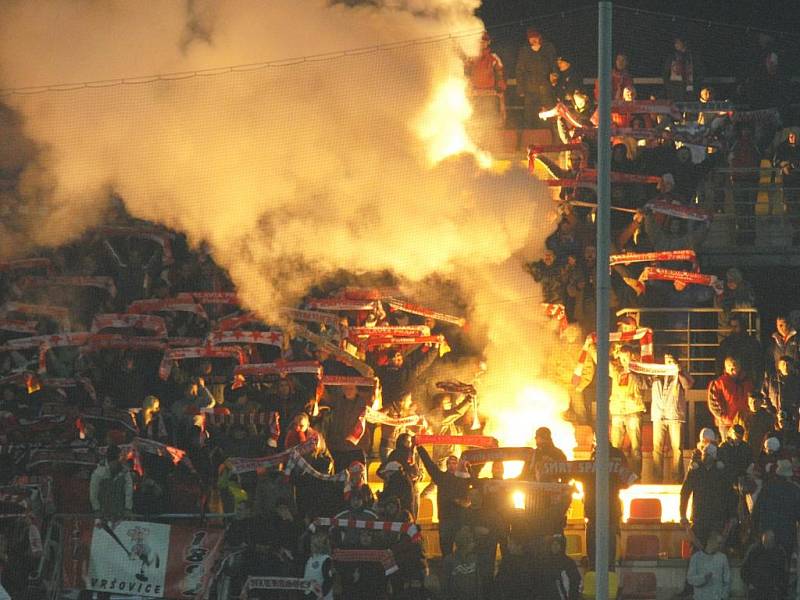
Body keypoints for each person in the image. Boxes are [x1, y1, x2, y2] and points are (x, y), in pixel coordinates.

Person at [417, 445, 472, 557]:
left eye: (454, 463)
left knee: (463, 551)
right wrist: (420, 448)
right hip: (446, 519)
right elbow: (430, 465)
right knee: (446, 551)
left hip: (461, 520)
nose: (452, 465)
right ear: (446, 465)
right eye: (449, 463)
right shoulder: (441, 478)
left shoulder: (465, 478)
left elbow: (476, 474)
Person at [680, 444, 736, 549]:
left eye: (708, 455)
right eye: (704, 454)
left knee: (717, 548)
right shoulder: (695, 471)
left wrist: (732, 514)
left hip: (717, 518)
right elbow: (685, 492)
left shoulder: (721, 473)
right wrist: (682, 514)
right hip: (699, 517)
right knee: (697, 548)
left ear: (714, 456)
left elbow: (730, 494)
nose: (705, 457)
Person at [651, 353, 694, 483]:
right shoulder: (656, 372)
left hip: (674, 415)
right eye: (666, 360)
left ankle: (677, 478)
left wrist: (679, 371)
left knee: (677, 449)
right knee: (657, 448)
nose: (668, 363)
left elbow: (688, 385)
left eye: (671, 360)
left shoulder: (681, 372)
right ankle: (657, 478)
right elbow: (645, 383)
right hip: (659, 414)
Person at [609, 345, 648, 476]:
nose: (624, 360)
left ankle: (636, 476)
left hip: (633, 411)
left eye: (626, 357)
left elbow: (645, 384)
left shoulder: (639, 370)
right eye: (622, 357)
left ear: (632, 356)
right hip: (617, 412)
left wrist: (633, 373)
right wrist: (590, 346)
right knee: (615, 448)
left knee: (636, 448)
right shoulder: (615, 370)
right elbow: (600, 360)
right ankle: (614, 475)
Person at [752, 459, 800, 558]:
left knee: (768, 561)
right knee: (784, 562)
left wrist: (757, 530)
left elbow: (757, 510)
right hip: (787, 532)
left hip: (769, 531)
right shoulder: (794, 490)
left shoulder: (767, 488)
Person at [515, 28, 557, 128]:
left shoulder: (548, 48)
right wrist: (520, 88)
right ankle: (529, 138)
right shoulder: (524, 51)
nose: (533, 40)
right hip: (530, 89)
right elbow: (519, 70)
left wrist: (555, 76)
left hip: (546, 88)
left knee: (548, 115)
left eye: (535, 37)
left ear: (539, 37)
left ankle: (550, 138)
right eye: (531, 38)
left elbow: (554, 65)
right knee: (529, 116)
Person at [464, 32, 507, 126]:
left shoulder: (493, 58)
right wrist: (468, 88)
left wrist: (500, 88)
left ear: (488, 42)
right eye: (480, 42)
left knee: (489, 118)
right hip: (475, 94)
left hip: (489, 94)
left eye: (484, 41)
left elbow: (500, 74)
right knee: (475, 119)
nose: (482, 44)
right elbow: (466, 74)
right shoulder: (471, 58)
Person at [707, 356, 754, 441]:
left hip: (744, 422)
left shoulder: (747, 382)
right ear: (726, 368)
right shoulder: (719, 383)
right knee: (727, 447)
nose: (734, 371)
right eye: (732, 368)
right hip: (727, 424)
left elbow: (753, 399)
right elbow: (713, 403)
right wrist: (723, 417)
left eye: (736, 367)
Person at [89, 444, 134, 520]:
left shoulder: (125, 472)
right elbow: (93, 493)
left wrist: (128, 509)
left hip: (121, 512)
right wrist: (97, 509)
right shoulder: (98, 473)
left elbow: (129, 491)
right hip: (103, 513)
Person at [716, 313, 763, 385]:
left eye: (736, 326)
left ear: (742, 327)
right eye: (731, 326)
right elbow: (719, 364)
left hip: (747, 383)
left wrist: (756, 384)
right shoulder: (725, 344)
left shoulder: (752, 343)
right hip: (730, 384)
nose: (733, 329)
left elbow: (757, 366)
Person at [741, 530, 788, 600]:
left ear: (773, 541)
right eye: (766, 542)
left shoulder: (779, 551)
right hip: (756, 589)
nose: (768, 545)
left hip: (772, 590)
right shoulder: (754, 550)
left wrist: (778, 586)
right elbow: (744, 568)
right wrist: (749, 583)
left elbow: (783, 571)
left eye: (770, 542)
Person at [686, 531, 731, 600]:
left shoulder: (722, 558)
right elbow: (690, 579)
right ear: (711, 541)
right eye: (718, 543)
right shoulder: (696, 558)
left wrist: (723, 596)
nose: (720, 545)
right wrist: (703, 578)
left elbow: (727, 580)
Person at [760, 355, 800, 431]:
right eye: (783, 364)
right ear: (778, 366)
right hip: (773, 417)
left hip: (792, 418)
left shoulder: (797, 381)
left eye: (788, 364)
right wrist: (772, 411)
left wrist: (794, 412)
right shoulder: (770, 379)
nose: (785, 367)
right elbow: (764, 396)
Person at [536, 534, 582, 600]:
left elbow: (575, 580)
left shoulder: (568, 562)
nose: (555, 546)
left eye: (557, 544)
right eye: (553, 544)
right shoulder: (544, 561)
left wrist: (572, 596)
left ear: (561, 546)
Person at [663, 36, 698, 102]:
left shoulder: (692, 57)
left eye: (678, 42)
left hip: (691, 89)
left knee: (691, 109)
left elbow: (699, 72)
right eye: (675, 43)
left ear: (684, 43)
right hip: (675, 90)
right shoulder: (672, 57)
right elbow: (665, 73)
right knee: (677, 110)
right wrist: (669, 87)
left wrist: (697, 85)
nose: (675, 45)